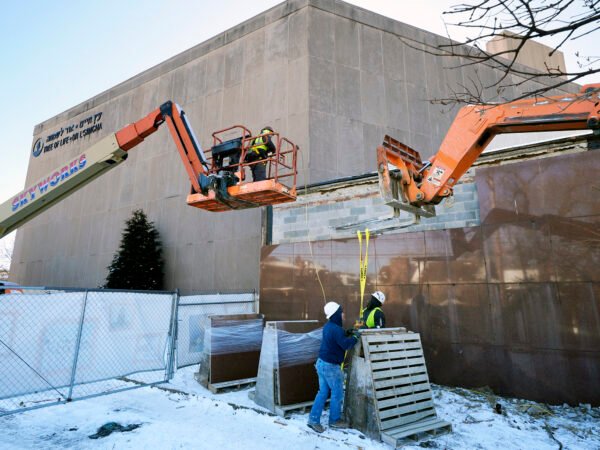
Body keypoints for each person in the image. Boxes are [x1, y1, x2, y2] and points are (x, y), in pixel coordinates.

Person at [307, 301, 359, 433]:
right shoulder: (336, 329)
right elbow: (346, 345)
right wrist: (355, 337)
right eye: (341, 312)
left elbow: (337, 339)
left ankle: (313, 420)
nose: (343, 314)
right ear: (336, 314)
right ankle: (334, 420)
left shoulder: (329, 326)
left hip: (321, 363)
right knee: (337, 393)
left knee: (323, 392)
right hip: (331, 367)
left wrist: (347, 333)